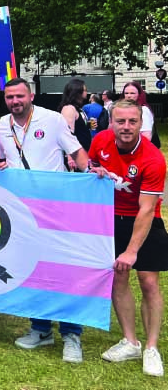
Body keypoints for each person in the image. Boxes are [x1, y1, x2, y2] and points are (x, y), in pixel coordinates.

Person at [0, 78, 89, 363]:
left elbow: (76, 152)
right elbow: (3, 160)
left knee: (63, 271)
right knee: (32, 270)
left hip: (55, 209)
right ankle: (41, 329)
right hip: (21, 211)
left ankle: (72, 335)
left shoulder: (53, 119)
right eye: (10, 97)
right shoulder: (0, 125)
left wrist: (91, 170)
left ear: (30, 95)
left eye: (20, 96)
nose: (15, 101)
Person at [90, 100, 167, 377]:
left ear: (140, 123)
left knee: (148, 281)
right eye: (120, 121)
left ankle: (151, 348)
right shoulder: (99, 140)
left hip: (145, 221)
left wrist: (132, 251)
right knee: (118, 277)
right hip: (111, 220)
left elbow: (147, 210)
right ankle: (130, 341)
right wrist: (93, 170)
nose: (125, 127)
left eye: (132, 122)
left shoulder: (153, 158)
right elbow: (92, 166)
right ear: (111, 122)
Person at [59, 78, 91, 152]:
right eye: (85, 90)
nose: (87, 92)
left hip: (83, 151)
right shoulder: (69, 109)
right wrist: (70, 157)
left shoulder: (78, 108)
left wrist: (87, 125)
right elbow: (67, 134)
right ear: (77, 91)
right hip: (76, 155)